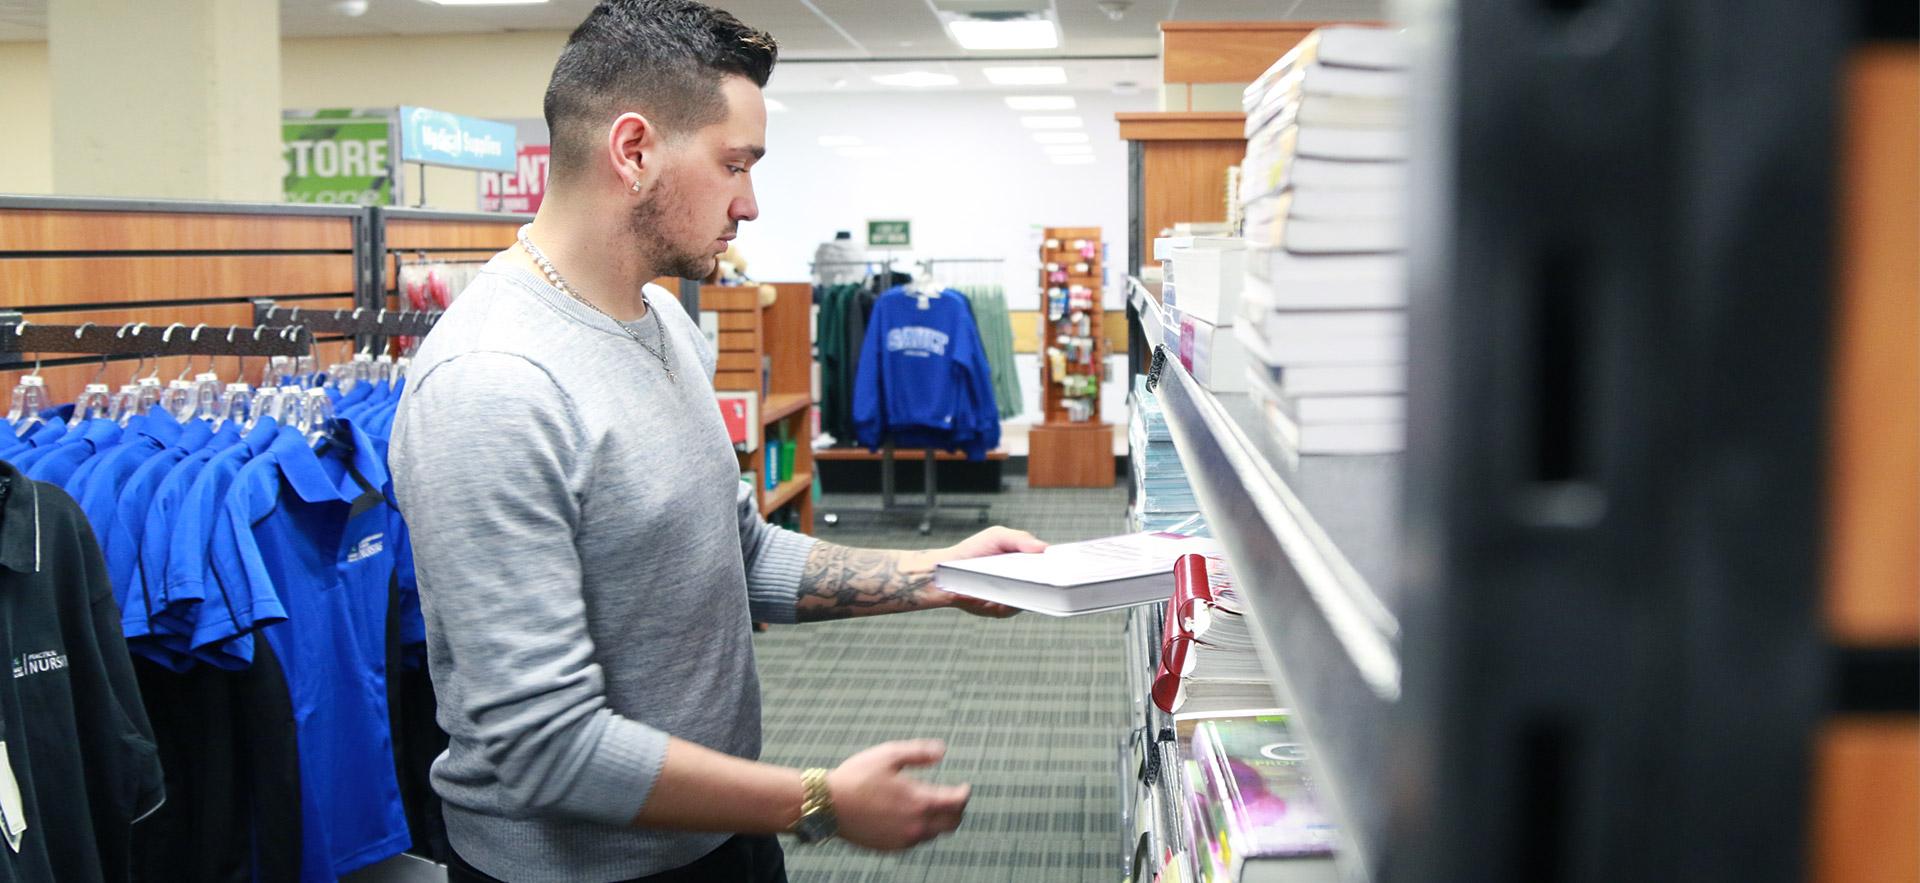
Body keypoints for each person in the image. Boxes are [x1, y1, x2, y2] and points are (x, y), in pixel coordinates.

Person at [387, 2, 1047, 881]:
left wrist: (942, 576)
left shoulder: (659, 316)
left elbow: (732, 551)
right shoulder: (492, 382)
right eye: (735, 164)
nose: (751, 201)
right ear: (633, 151)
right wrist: (818, 801)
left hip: (719, 832)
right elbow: (544, 745)